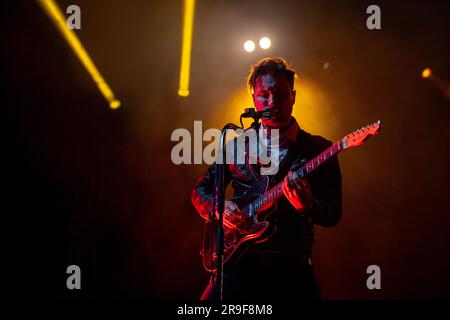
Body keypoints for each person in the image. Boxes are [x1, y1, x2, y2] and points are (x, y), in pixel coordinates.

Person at [191, 57, 342, 300]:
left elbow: (334, 212)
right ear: (253, 99)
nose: (273, 102)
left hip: (290, 268)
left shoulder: (318, 149)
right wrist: (219, 208)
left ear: (293, 97)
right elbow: (201, 190)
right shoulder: (237, 145)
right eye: (264, 95)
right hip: (236, 265)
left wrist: (308, 205)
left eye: (280, 95)